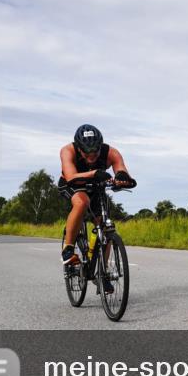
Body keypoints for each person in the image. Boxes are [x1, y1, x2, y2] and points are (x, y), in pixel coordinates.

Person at [58, 124, 136, 291]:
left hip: (96, 185)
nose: (92, 157)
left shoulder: (111, 152)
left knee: (105, 227)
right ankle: (69, 248)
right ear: (79, 149)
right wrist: (94, 173)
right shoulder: (67, 151)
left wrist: (121, 176)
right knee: (82, 202)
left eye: (96, 153)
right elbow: (71, 176)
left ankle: (101, 272)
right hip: (72, 184)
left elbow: (120, 168)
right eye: (87, 154)